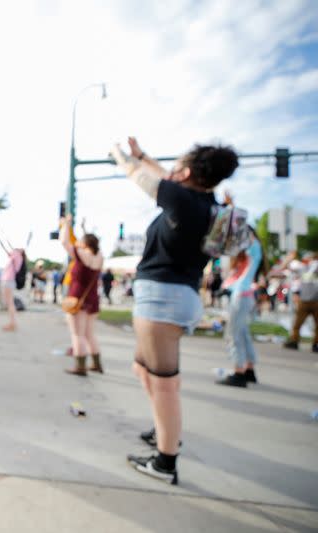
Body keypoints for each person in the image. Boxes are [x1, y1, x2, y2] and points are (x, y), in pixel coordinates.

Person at [112, 136, 239, 485]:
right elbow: (164, 173)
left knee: (164, 383)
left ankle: (165, 461)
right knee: (143, 368)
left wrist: (122, 157)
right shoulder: (205, 203)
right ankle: (164, 430)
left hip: (161, 299)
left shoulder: (182, 199)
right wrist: (142, 155)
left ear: (186, 173)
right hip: (175, 296)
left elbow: (140, 177)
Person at [216, 228, 265, 387]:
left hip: (241, 297)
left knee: (233, 334)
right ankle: (249, 370)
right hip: (243, 296)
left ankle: (239, 372)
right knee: (242, 333)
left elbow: (242, 280)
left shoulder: (253, 248)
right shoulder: (247, 257)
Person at [59, 215, 104, 375]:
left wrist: (66, 224)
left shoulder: (81, 255)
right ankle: (97, 364)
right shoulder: (99, 257)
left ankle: (80, 366)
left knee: (77, 334)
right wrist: (84, 229)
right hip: (93, 299)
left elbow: (64, 242)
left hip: (78, 298)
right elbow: (90, 242)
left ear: (85, 243)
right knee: (89, 333)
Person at [283, 253, 318, 353]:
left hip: (316, 301)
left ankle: (316, 344)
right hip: (304, 300)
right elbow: (286, 267)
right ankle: (294, 341)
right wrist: (289, 258)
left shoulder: (315, 266)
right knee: (297, 323)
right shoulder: (303, 268)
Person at [0, 232, 26, 331]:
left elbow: (7, 246)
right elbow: (8, 246)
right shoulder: (18, 256)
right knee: (9, 302)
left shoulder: (17, 255)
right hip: (9, 280)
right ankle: (12, 323)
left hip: (8, 280)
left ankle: (12, 323)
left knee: (10, 303)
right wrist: (2, 237)